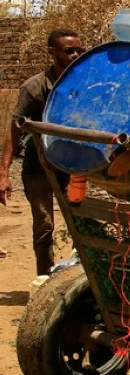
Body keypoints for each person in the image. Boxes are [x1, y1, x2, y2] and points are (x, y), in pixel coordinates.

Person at [0, 28, 85, 277]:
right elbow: (15, 130)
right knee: (44, 228)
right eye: (69, 51)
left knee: (81, 225)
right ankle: (44, 281)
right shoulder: (35, 87)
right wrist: (4, 174)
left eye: (79, 50)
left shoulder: (84, 84)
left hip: (73, 168)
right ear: (52, 52)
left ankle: (84, 281)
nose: (75, 55)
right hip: (39, 169)